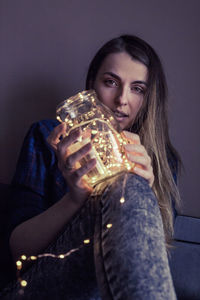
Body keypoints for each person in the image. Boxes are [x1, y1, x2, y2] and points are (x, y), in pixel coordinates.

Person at [1, 35, 181, 299]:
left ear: (150, 97)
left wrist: (147, 192)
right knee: (127, 184)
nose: (122, 99)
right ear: (90, 87)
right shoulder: (47, 137)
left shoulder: (159, 160)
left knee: (132, 184)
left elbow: (148, 264)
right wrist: (75, 197)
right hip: (37, 287)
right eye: (111, 82)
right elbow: (19, 252)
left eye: (137, 89)